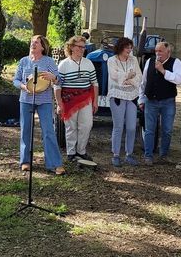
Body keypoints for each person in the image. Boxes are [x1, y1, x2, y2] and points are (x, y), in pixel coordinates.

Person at [13, 35, 65, 175]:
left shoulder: (48, 61)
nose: (33, 44)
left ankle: (54, 164)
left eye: (36, 42)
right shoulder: (24, 61)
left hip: (45, 101)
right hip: (26, 100)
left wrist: (53, 77)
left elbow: (59, 80)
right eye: (32, 42)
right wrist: (24, 87)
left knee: (48, 131)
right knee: (26, 130)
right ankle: (25, 161)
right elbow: (16, 80)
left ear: (42, 46)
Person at [55, 35, 99, 163]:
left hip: (85, 99)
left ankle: (81, 151)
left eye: (84, 47)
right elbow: (57, 85)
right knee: (71, 127)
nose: (82, 49)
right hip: (68, 100)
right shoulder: (63, 65)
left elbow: (94, 83)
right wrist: (59, 103)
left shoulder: (88, 63)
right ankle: (71, 153)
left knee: (86, 125)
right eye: (79, 47)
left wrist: (95, 101)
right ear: (72, 47)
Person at [139, 41, 181, 165]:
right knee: (149, 129)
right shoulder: (149, 61)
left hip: (168, 101)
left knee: (167, 130)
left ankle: (163, 155)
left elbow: (178, 80)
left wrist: (163, 71)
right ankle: (148, 155)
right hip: (151, 100)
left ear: (168, 52)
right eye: (156, 51)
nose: (157, 53)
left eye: (160, 51)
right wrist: (141, 99)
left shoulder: (176, 62)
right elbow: (144, 81)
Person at [107, 37, 142, 167]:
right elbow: (114, 75)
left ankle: (129, 154)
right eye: (127, 47)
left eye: (130, 47)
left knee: (132, 127)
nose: (129, 50)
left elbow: (139, 76)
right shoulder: (112, 60)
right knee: (118, 126)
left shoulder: (134, 60)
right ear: (121, 47)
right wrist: (129, 75)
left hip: (132, 96)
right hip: (117, 96)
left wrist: (129, 79)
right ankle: (116, 155)